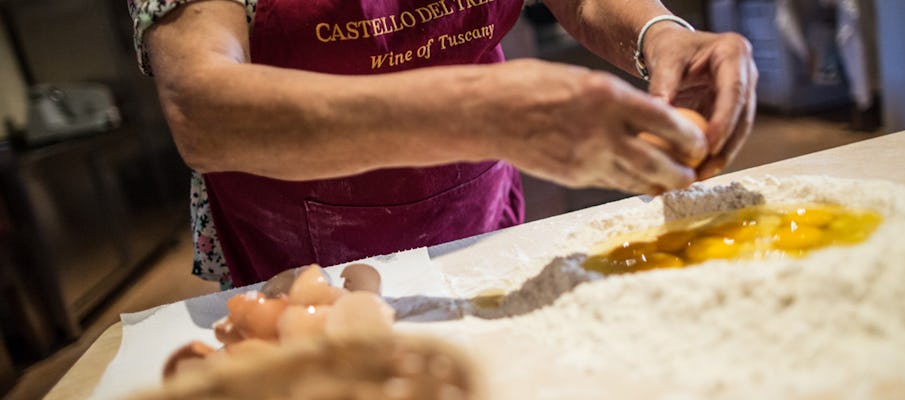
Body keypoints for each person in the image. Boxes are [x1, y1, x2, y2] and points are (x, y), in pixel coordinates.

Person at [127, 0, 757, 288]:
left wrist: (660, 33)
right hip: (298, 257)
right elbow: (204, 107)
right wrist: (480, 112)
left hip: (477, 215)